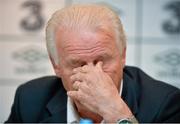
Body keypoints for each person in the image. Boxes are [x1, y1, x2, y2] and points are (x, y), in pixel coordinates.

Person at [6, 4, 180, 123]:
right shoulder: (29, 99)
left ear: (123, 55)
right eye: (77, 63)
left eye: (102, 61)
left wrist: (118, 114)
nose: (92, 74)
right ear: (56, 65)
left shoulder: (165, 103)